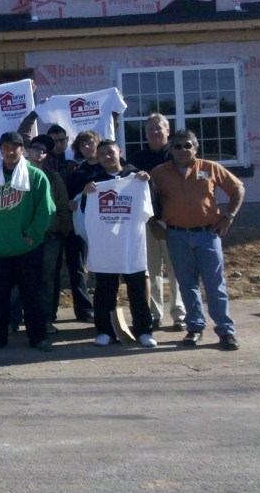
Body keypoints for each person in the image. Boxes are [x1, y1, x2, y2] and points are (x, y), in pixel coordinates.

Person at [150, 130, 244, 350]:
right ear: (171, 149)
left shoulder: (210, 168)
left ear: (196, 148)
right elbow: (145, 198)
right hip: (176, 236)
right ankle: (194, 327)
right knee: (187, 285)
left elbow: (238, 189)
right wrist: (153, 222)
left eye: (188, 145)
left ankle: (226, 331)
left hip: (207, 235)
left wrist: (228, 216)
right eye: (178, 146)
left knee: (214, 284)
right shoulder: (159, 173)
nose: (183, 150)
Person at [0, 131, 55, 353]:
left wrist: (31, 235)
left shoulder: (35, 176)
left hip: (27, 248)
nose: (10, 151)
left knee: (32, 295)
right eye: (6, 147)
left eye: (15, 147)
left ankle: (38, 337)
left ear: (22, 150)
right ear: (0, 149)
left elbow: (46, 210)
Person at [81, 140, 156, 348]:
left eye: (110, 152)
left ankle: (144, 331)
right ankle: (104, 331)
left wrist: (147, 182)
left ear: (119, 152)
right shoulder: (95, 182)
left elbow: (150, 208)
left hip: (132, 244)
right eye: (102, 154)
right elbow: (86, 212)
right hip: (106, 246)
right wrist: (86, 194)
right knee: (105, 290)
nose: (107, 157)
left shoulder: (137, 178)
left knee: (137, 289)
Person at [128, 113, 186, 331]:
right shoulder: (137, 159)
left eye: (159, 128)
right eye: (150, 129)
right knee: (152, 271)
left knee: (175, 270)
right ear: (145, 133)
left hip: (173, 221)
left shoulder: (177, 155)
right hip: (148, 222)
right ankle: (155, 314)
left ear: (167, 131)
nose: (154, 132)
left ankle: (179, 314)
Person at [25, 134, 70, 333]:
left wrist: (61, 228)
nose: (40, 152)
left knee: (47, 280)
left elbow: (62, 205)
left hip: (49, 236)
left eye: (44, 150)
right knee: (20, 279)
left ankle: (45, 320)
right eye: (36, 147)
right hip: (23, 236)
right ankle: (14, 320)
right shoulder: (17, 174)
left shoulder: (54, 177)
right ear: (28, 149)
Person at [63, 130, 102, 323]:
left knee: (103, 268)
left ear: (98, 143)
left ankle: (104, 308)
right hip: (79, 226)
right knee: (77, 267)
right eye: (82, 145)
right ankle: (84, 310)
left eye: (90, 143)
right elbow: (69, 198)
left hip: (104, 227)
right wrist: (71, 203)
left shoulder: (109, 169)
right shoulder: (77, 172)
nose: (87, 147)